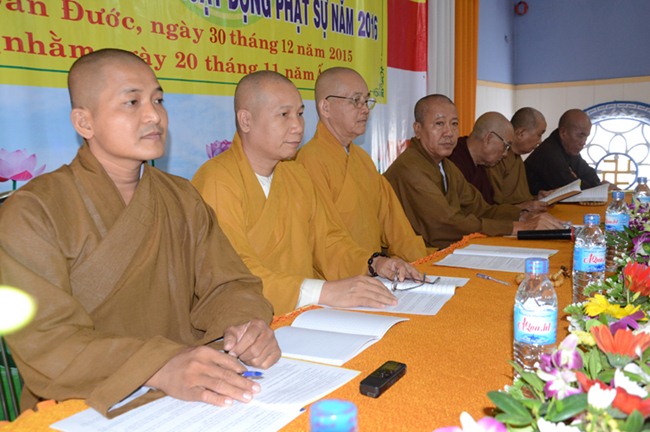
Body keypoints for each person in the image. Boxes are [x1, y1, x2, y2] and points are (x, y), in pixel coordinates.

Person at [0, 49, 280, 417]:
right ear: (84, 122)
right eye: (132, 102)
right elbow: (46, 340)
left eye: (158, 100)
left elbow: (229, 284)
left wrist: (245, 326)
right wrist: (159, 366)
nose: (154, 115)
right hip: (82, 403)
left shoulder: (181, 197)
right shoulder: (32, 211)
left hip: (191, 385)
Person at [192, 71, 421, 316]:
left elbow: (328, 241)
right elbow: (233, 271)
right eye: (284, 115)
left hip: (303, 315)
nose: (297, 126)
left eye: (300, 114)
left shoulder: (296, 176)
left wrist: (375, 263)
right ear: (246, 120)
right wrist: (323, 292)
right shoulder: (217, 179)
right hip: (245, 323)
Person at [383, 94, 565, 249]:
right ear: (418, 130)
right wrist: (519, 227)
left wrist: (522, 216)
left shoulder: (445, 165)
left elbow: (480, 208)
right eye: (439, 124)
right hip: (412, 258)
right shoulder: (410, 168)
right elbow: (444, 225)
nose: (449, 132)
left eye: (454, 124)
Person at [296, 67, 426, 260]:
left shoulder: (363, 159)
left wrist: (419, 262)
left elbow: (394, 224)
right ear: (326, 107)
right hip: (340, 274)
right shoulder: (310, 160)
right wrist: (371, 264)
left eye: (366, 101)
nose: (365, 109)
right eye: (356, 100)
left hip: (374, 269)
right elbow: (323, 239)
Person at [525, 109, 602, 195]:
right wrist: (578, 180)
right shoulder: (549, 152)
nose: (583, 142)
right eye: (580, 135)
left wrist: (578, 180)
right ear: (563, 132)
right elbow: (572, 189)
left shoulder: (569, 148)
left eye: (586, 136)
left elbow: (593, 178)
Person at [448, 111, 515, 205]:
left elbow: (487, 207)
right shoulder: (452, 160)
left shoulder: (481, 166)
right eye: (506, 146)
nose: (505, 154)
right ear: (488, 138)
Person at [487, 107, 549, 209]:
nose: (540, 142)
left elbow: (520, 199)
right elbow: (493, 208)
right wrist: (524, 207)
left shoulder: (517, 158)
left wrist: (536, 199)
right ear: (521, 133)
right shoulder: (497, 158)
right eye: (539, 135)